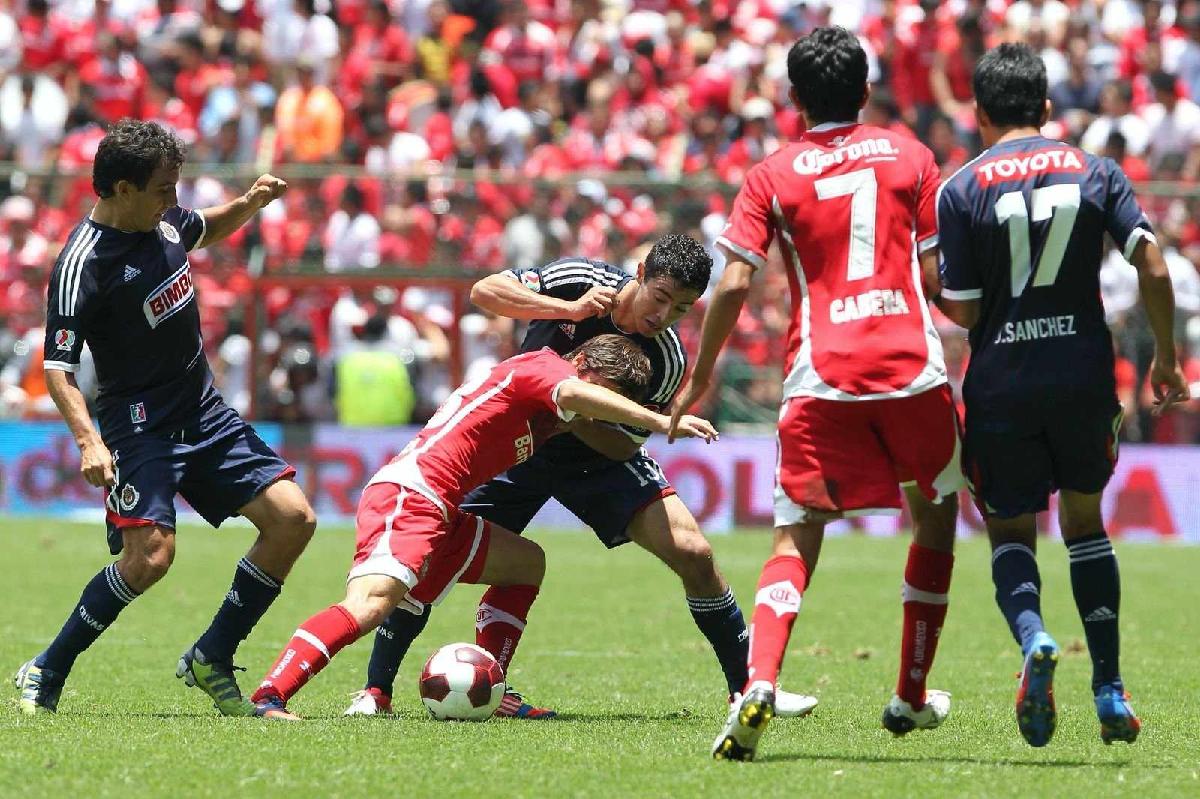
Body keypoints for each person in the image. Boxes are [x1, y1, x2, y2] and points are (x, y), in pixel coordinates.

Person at [345, 235, 818, 720]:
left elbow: (624, 444)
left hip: (595, 458)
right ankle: (376, 691)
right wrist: (565, 310)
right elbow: (485, 291)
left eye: (680, 309)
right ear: (640, 273)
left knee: (694, 553)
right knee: (430, 555)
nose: (663, 316)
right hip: (514, 448)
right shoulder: (579, 280)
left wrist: (572, 414)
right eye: (660, 297)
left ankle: (749, 687)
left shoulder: (668, 360)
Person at [670, 27, 965, 761]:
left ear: (794, 99)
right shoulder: (912, 156)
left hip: (821, 373)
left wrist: (701, 376)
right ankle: (910, 693)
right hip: (912, 368)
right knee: (935, 518)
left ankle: (759, 682)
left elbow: (734, 281)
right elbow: (936, 279)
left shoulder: (771, 174)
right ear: (865, 91)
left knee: (795, 537)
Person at [13, 120, 318, 717]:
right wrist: (88, 440)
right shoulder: (82, 263)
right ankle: (48, 666)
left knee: (293, 520)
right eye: (163, 189)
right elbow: (58, 367)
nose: (173, 199)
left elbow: (204, 227)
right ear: (123, 189)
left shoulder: (164, 221)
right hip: (139, 425)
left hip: (203, 410)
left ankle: (212, 655)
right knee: (150, 557)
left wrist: (249, 204)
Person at [249, 335, 719, 719]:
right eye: (606, 394)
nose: (601, 409)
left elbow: (599, 428)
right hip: (412, 493)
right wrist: (663, 421)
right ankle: (271, 694)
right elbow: (575, 393)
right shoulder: (546, 368)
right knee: (370, 603)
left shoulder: (558, 406)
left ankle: (492, 689)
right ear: (581, 363)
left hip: (442, 508)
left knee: (525, 564)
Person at [936, 43, 1190, 747]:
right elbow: (1154, 264)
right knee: (1085, 523)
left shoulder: (960, 189)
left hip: (1002, 381)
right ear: (1047, 109)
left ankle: (1034, 638)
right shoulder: (1097, 171)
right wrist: (1167, 358)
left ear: (979, 113)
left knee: (1010, 531)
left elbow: (963, 308)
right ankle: (1108, 686)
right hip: (1082, 373)